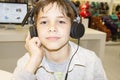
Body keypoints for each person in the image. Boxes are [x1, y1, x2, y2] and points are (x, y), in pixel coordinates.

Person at [12, 0, 107, 80]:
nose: (52, 28)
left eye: (61, 21)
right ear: (35, 30)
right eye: (44, 22)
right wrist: (34, 61)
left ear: (73, 28)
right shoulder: (27, 62)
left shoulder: (91, 61)